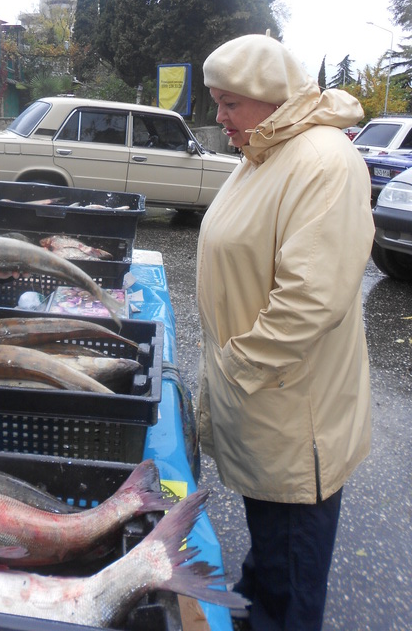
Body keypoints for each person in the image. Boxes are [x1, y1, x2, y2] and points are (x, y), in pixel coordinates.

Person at [195, 34, 374, 631]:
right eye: (215, 101)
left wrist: (237, 369)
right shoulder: (267, 152)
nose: (218, 117)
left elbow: (310, 298)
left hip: (294, 417)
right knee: (271, 555)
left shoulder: (323, 162)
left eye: (228, 103)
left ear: (270, 98)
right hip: (261, 404)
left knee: (292, 572)